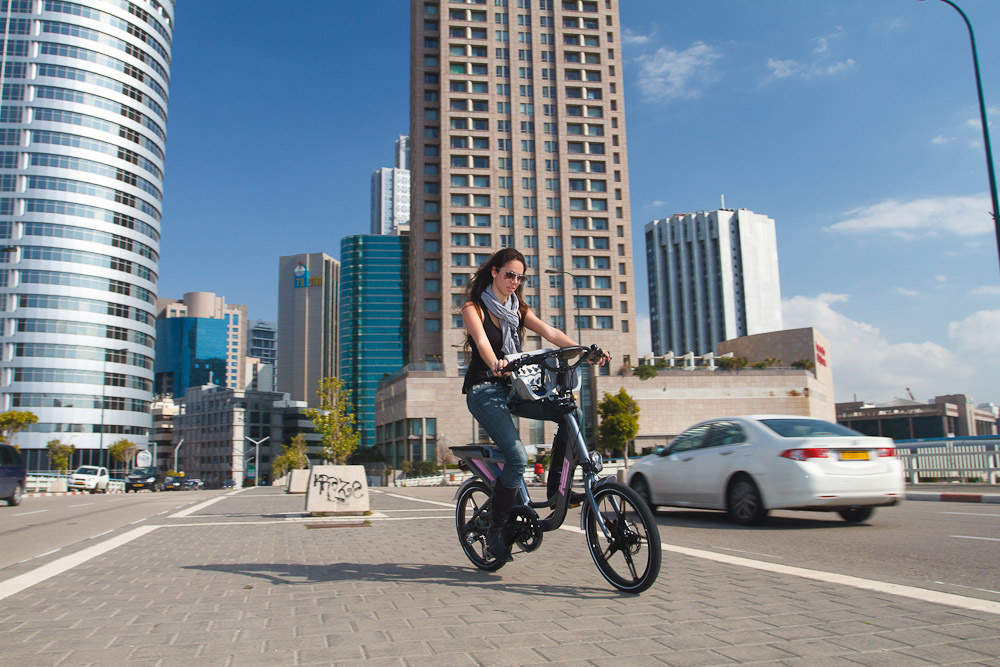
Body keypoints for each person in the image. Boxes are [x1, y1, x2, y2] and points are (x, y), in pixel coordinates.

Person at [462, 248, 609, 561]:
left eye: (519, 276)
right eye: (508, 274)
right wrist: (496, 363)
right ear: (494, 272)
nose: (514, 281)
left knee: (572, 412)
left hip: (514, 388)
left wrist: (585, 351)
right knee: (516, 457)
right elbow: (483, 344)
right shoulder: (473, 308)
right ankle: (496, 531)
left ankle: (558, 488)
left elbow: (552, 332)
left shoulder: (519, 310)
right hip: (485, 389)